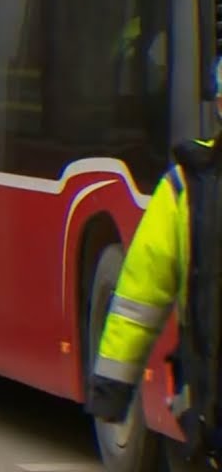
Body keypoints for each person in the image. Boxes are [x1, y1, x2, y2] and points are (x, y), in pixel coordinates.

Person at [86, 56, 222, 470]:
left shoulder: (188, 186)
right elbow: (140, 295)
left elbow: (139, 296)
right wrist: (112, 387)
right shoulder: (187, 187)